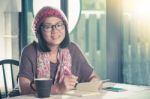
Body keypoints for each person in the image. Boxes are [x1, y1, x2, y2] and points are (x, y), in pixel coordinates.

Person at [18, 6, 99, 95]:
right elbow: (24, 89)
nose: (55, 30)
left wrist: (93, 83)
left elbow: (93, 77)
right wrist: (57, 88)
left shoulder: (73, 49)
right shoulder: (29, 51)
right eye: (48, 26)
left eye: (59, 25)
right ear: (39, 31)